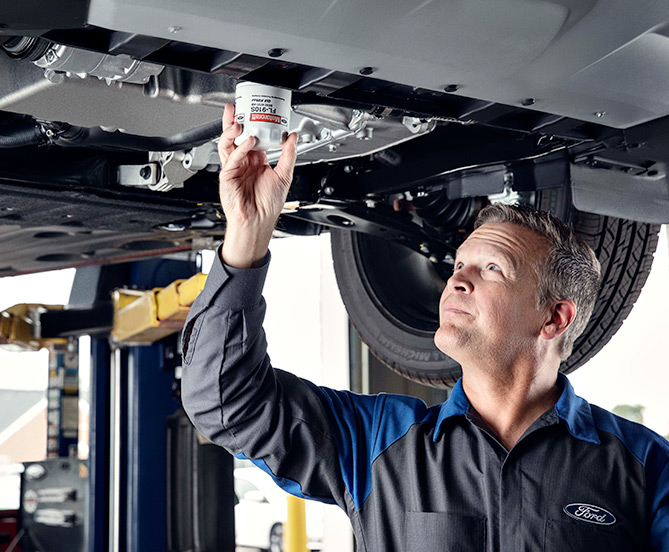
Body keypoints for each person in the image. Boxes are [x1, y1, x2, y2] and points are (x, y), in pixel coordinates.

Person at [181, 104, 669, 551]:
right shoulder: (376, 443)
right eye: (459, 265)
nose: (456, 280)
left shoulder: (645, 468)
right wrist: (246, 235)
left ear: (554, 318)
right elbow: (224, 401)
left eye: (492, 268)